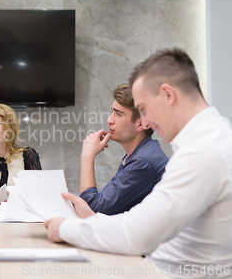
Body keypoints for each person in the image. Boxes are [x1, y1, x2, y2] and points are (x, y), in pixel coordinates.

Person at [44, 48, 232, 278]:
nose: (146, 121)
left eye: (143, 109)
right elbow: (143, 223)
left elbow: (135, 234)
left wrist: (64, 227)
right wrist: (94, 218)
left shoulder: (203, 152)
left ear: (168, 95)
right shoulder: (210, 141)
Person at [79, 84, 168, 215]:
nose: (109, 120)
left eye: (118, 114)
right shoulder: (142, 153)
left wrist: (87, 155)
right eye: (112, 111)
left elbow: (92, 212)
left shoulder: (143, 163)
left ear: (141, 124)